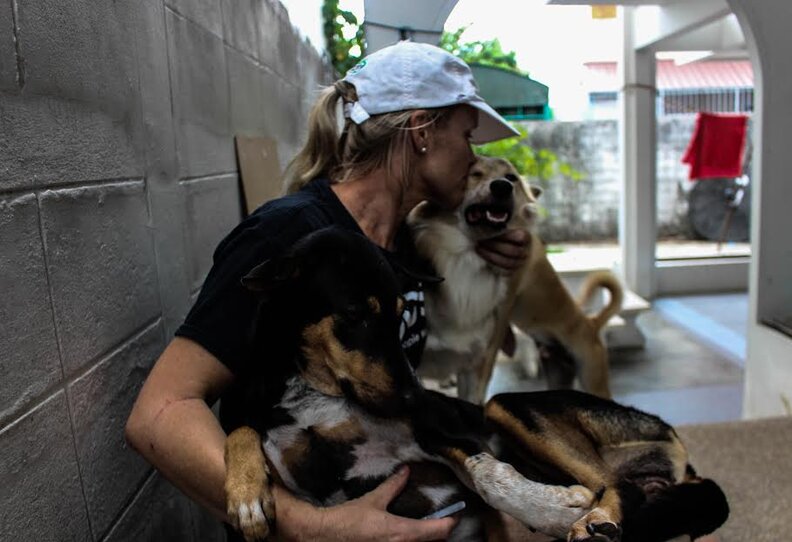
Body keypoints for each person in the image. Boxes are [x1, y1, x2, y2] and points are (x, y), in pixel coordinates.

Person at [126, 40, 529, 541]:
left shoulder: (404, 241)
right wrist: (313, 527)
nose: (474, 155)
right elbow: (159, 412)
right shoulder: (288, 237)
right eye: (468, 135)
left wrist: (501, 246)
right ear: (422, 131)